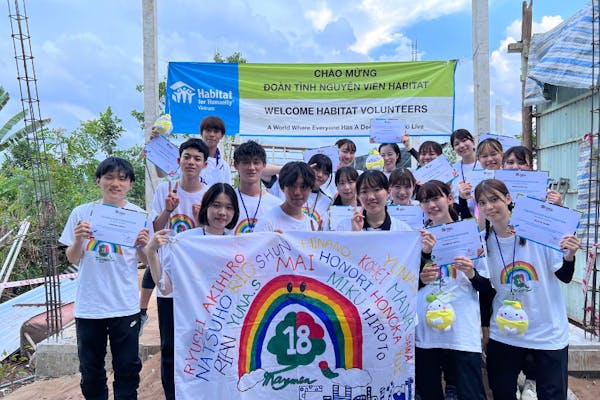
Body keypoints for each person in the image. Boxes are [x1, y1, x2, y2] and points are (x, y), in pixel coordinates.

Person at [474, 179, 580, 400]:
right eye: (482, 202)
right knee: (502, 392)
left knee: (552, 395)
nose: (489, 207)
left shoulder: (538, 232)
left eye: (494, 199)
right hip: (506, 331)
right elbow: (483, 286)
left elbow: (565, 275)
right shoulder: (482, 243)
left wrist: (569, 256)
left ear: (508, 199)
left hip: (547, 331)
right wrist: (469, 272)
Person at [59, 157, 149, 400]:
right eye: (109, 177)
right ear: (99, 181)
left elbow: (147, 261)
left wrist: (142, 245)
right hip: (90, 307)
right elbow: (72, 258)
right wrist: (79, 239)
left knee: (128, 368)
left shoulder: (138, 216)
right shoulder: (82, 213)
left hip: (125, 305)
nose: (115, 184)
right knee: (91, 371)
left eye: (122, 179)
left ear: (130, 184)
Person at [145, 183, 239, 399]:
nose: (222, 212)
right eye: (216, 205)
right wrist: (151, 252)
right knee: (191, 381)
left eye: (229, 207)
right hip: (192, 331)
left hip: (226, 330)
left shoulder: (238, 244)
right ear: (206, 207)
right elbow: (165, 288)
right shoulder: (186, 241)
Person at [143, 138, 210, 399]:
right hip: (169, 281)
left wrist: (200, 219)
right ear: (178, 160)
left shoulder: (210, 194)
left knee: (200, 340)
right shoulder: (165, 189)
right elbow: (154, 229)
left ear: (205, 164)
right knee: (170, 345)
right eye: (187, 157)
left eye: (197, 158)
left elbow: (214, 235)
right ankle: (172, 394)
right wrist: (168, 211)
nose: (191, 162)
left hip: (199, 282)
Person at [415, 180, 490, 400]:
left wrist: (471, 273)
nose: (431, 205)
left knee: (470, 392)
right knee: (429, 392)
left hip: (462, 329)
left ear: (449, 199)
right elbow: (407, 284)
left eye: (435, 198)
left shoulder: (470, 233)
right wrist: (423, 270)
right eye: (425, 200)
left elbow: (486, 286)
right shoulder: (416, 238)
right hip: (427, 331)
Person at [230, 140, 282, 234]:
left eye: (256, 162)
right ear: (236, 165)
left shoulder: (277, 205)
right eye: (246, 162)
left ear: (264, 165)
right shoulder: (227, 201)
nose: (251, 167)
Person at [254, 161, 316, 232]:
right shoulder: (267, 222)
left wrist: (317, 237)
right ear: (282, 188)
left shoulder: (313, 225)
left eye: (303, 187)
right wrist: (270, 238)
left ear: (310, 189)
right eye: (292, 186)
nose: (297, 192)